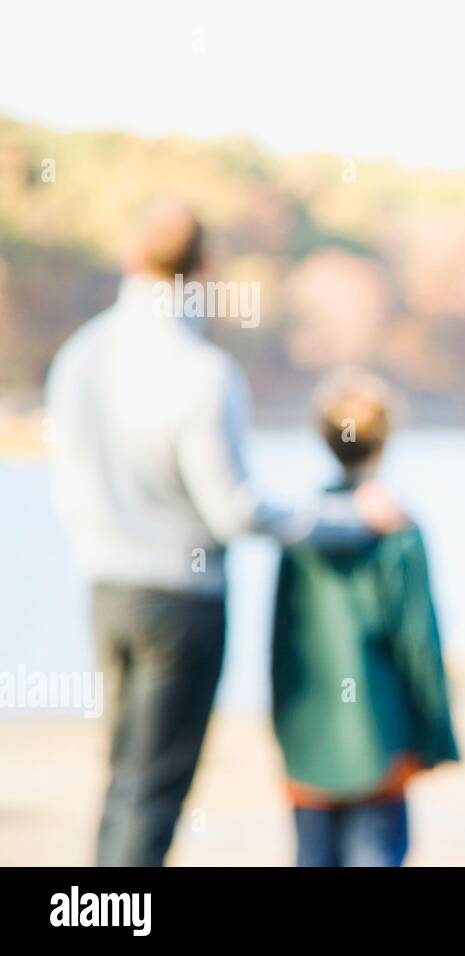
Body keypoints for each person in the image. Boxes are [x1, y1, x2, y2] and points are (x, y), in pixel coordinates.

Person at [45, 196, 406, 866]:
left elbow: (64, 478)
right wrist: (345, 521)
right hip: (182, 603)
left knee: (122, 776)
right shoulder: (203, 372)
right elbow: (236, 512)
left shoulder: (79, 356)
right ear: (207, 267)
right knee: (154, 792)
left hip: (105, 591)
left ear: (131, 259)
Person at [271, 367, 461, 867]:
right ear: (387, 439)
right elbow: (419, 640)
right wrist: (436, 735)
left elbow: (280, 641)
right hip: (382, 734)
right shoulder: (397, 528)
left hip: (308, 738)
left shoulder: (302, 528)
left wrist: (283, 729)